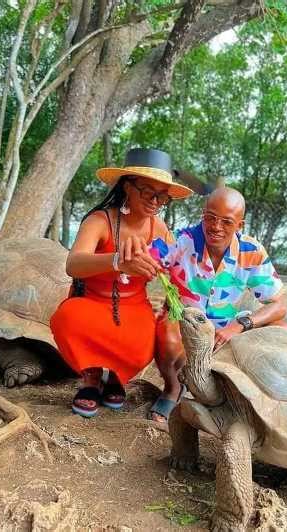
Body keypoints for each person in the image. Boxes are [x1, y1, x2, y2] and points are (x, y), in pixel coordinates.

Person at [50, 148, 193, 417]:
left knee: (142, 347)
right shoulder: (100, 220)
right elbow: (73, 264)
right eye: (148, 191)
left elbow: (176, 270)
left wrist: (167, 277)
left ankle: (116, 377)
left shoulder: (159, 228)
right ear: (128, 186)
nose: (155, 201)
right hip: (92, 302)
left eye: (162, 196)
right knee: (67, 318)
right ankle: (91, 379)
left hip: (134, 307)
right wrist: (116, 261)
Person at [147, 186, 287, 422]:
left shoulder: (251, 252)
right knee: (165, 330)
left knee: (285, 330)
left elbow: (279, 305)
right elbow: (147, 259)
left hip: (228, 328)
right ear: (203, 214)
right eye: (210, 218)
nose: (215, 227)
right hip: (186, 325)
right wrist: (137, 253)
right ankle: (173, 389)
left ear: (239, 225)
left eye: (226, 222)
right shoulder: (182, 240)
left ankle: (265, 403)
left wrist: (238, 326)